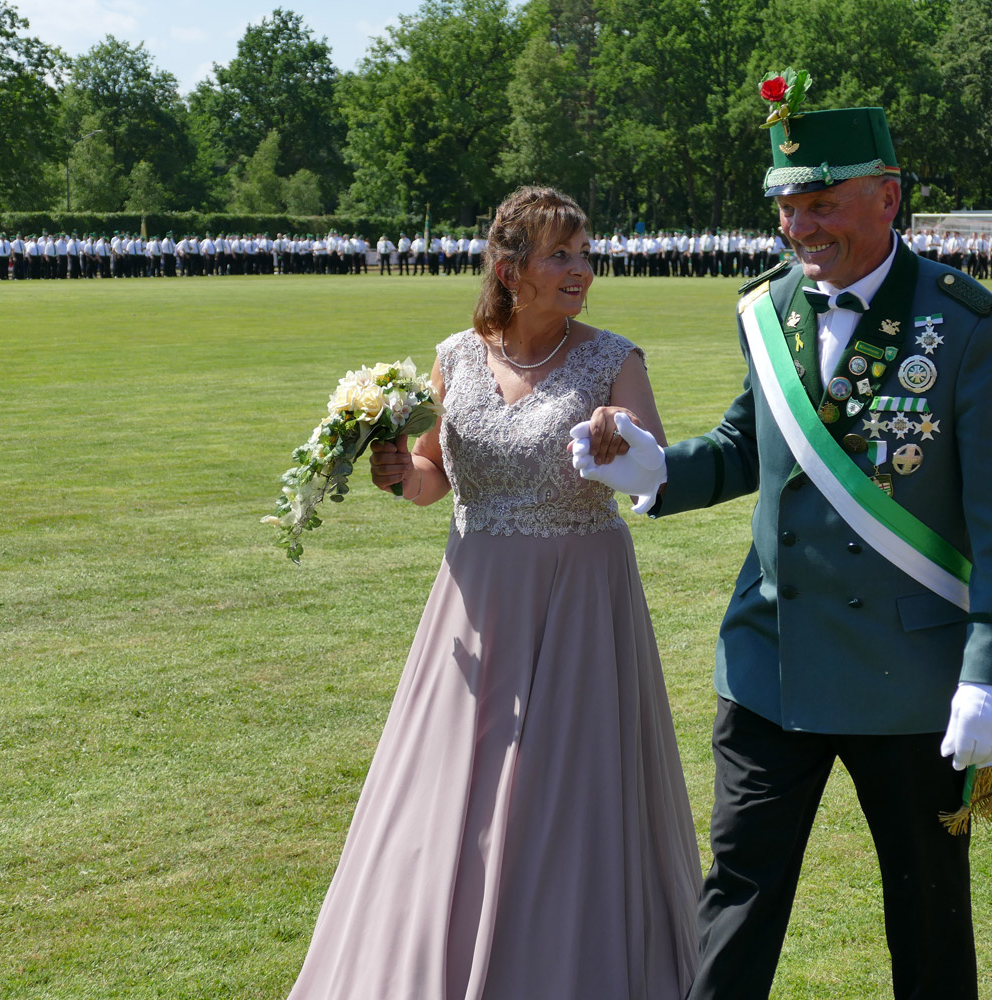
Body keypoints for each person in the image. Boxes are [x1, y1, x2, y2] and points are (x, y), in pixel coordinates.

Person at [575, 97, 992, 1000]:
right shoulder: (768, 307)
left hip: (909, 674)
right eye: (787, 206)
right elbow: (750, 443)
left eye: (822, 202)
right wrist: (657, 469)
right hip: (771, 660)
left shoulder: (965, 322)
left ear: (887, 197)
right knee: (738, 895)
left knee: (928, 909)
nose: (800, 226)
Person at [287, 186, 701, 1000]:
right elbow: (434, 477)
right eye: (561, 255)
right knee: (451, 790)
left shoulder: (614, 360)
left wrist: (622, 440)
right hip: (474, 602)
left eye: (585, 253)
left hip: (581, 604)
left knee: (567, 791)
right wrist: (399, 472)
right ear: (510, 271)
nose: (581, 270)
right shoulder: (455, 357)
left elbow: (653, 472)